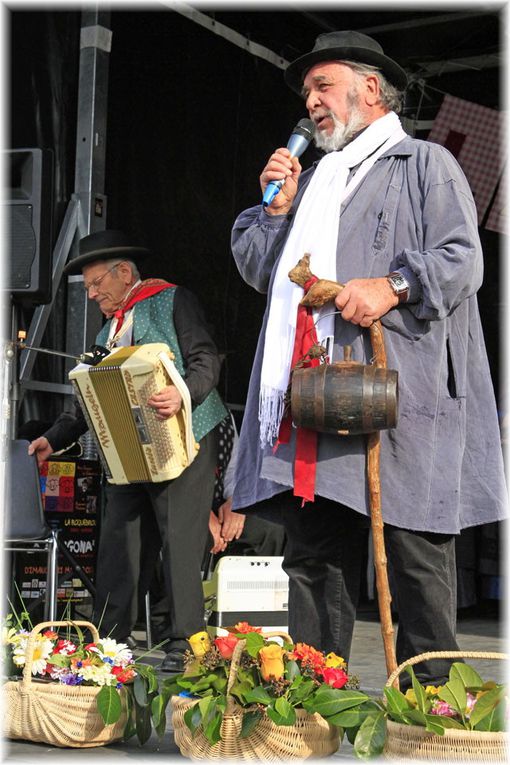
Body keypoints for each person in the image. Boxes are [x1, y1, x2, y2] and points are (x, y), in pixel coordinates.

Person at [230, 30, 507, 686]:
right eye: (307, 93)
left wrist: (393, 285)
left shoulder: (424, 164)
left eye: (323, 87)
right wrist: (277, 209)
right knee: (314, 558)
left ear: (371, 89)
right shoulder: (318, 181)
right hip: (323, 396)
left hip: (402, 402)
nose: (312, 102)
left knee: (412, 562)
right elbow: (262, 270)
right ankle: (315, 702)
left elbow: (463, 259)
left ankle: (435, 715)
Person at [28, 229, 227, 672]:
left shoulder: (173, 299)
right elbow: (88, 400)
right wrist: (53, 438)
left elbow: (205, 359)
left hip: (185, 437)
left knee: (179, 543)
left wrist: (182, 393)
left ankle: (187, 646)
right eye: (89, 286)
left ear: (123, 273)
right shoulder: (108, 330)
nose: (93, 292)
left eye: (98, 283)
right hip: (129, 451)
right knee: (119, 544)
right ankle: (109, 645)